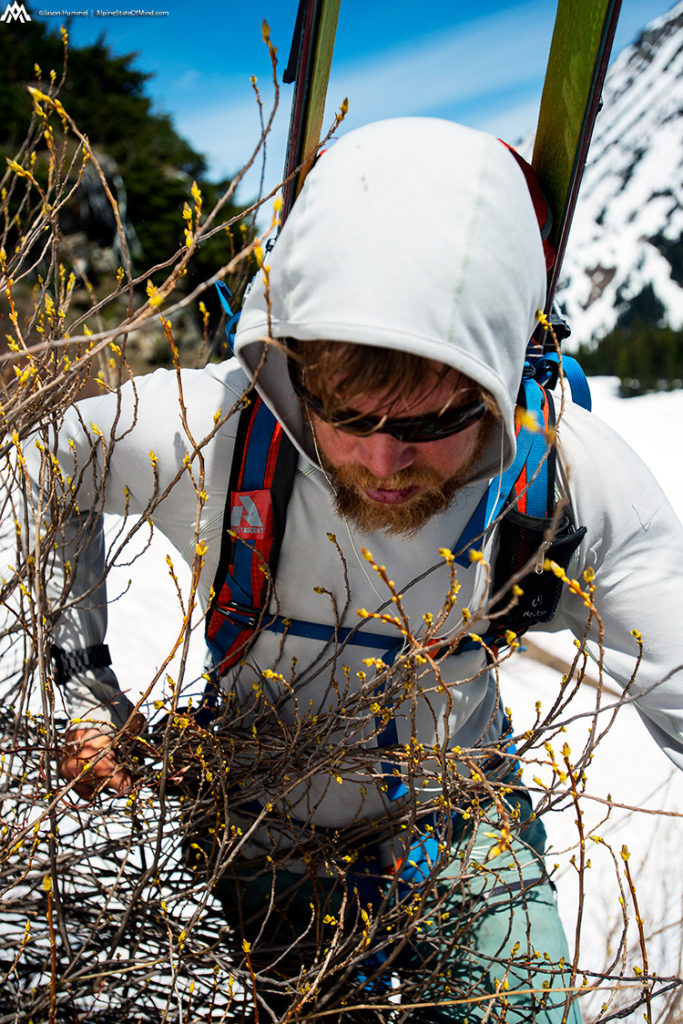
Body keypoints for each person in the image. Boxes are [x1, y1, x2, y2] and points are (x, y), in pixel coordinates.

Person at [32, 118, 683, 1023]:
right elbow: (46, 461)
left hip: (462, 840)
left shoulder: (571, 486)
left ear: (498, 383)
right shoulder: (218, 430)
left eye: (426, 423)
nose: (382, 466)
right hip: (262, 835)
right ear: (293, 370)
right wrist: (77, 685)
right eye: (346, 417)